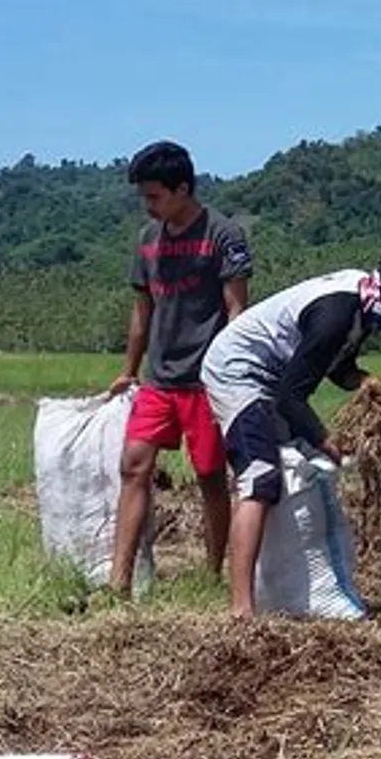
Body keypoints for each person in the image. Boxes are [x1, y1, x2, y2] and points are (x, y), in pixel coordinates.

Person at [201, 251, 381, 619]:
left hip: (270, 379)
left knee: (292, 472)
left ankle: (284, 591)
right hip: (238, 373)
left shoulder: (363, 305)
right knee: (260, 479)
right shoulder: (338, 312)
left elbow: (333, 364)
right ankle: (241, 610)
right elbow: (291, 397)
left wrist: (363, 381)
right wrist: (326, 440)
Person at [108, 142, 253, 596]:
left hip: (206, 380)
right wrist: (129, 370)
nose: (148, 206)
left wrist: (235, 377)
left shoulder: (222, 235)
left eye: (154, 197)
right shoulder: (148, 241)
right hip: (159, 379)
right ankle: (118, 582)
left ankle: (213, 574)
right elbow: (142, 309)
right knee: (134, 467)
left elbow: (236, 313)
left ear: (182, 188)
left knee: (210, 474)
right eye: (144, 198)